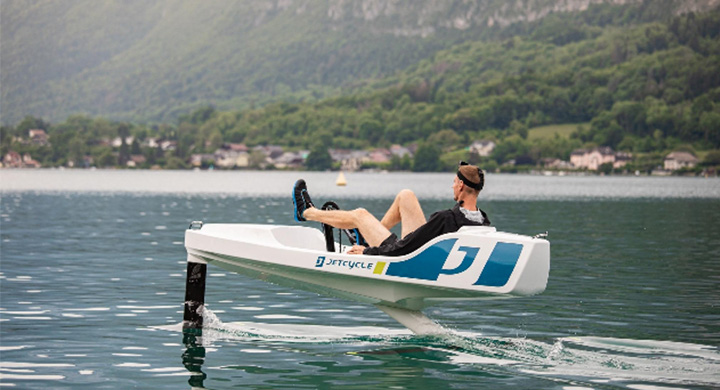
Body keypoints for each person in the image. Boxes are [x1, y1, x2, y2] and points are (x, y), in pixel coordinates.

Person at [293, 162, 491, 256]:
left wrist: (368, 252)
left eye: (454, 182)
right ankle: (367, 234)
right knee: (406, 196)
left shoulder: (445, 218)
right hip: (424, 256)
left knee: (360, 215)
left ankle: (307, 212)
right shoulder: (482, 221)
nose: (452, 186)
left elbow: (405, 248)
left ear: (462, 186)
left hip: (407, 259)